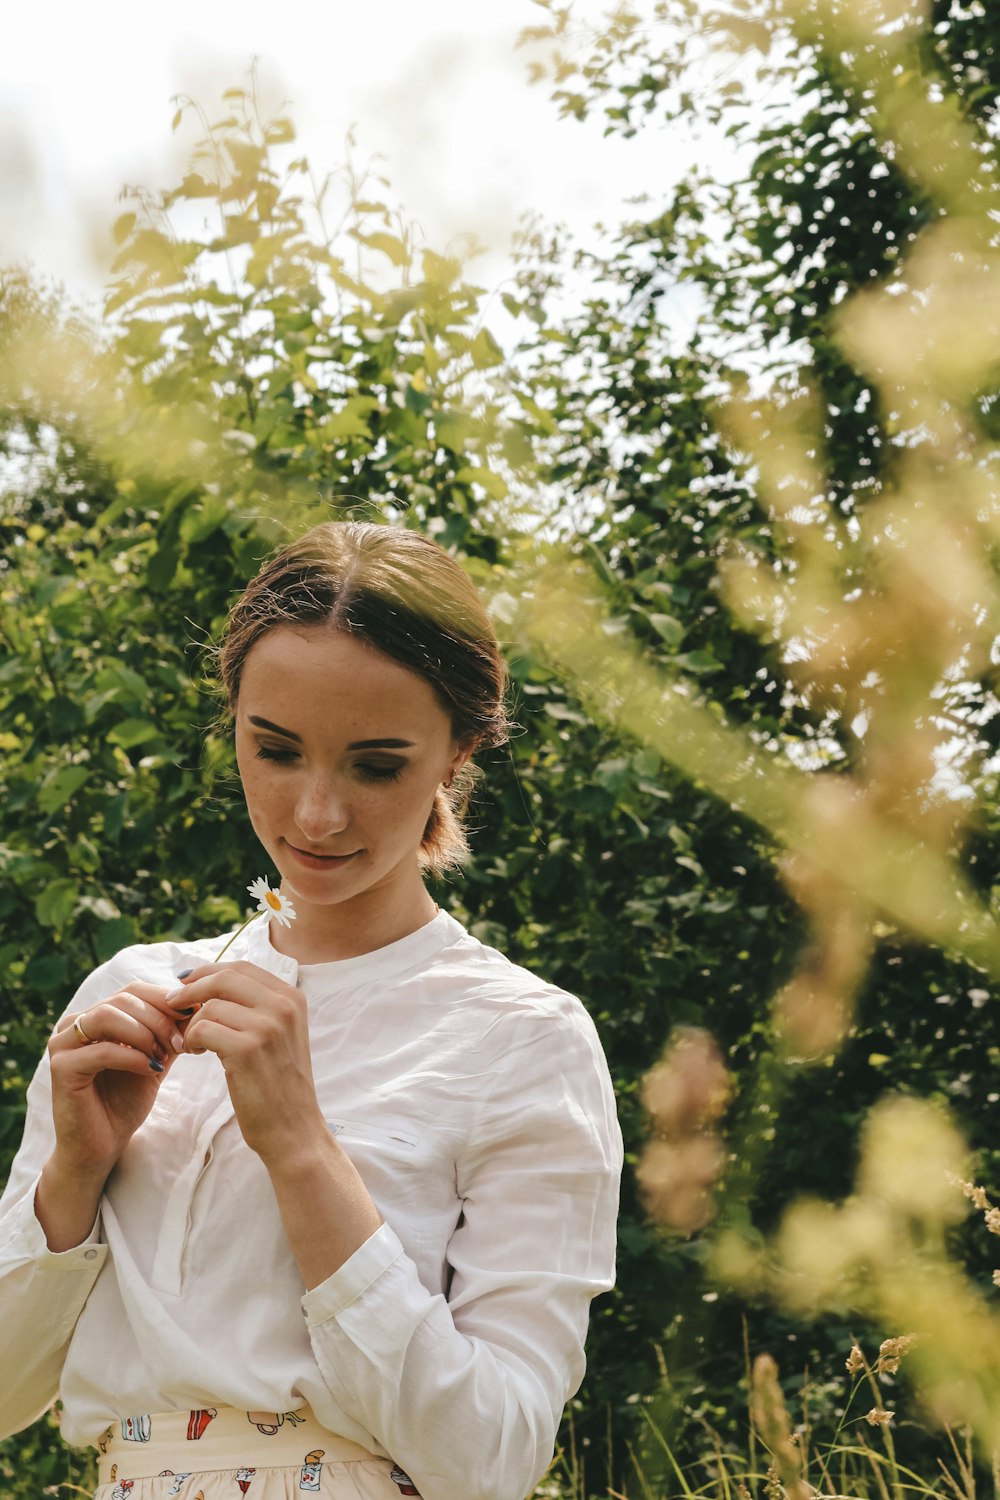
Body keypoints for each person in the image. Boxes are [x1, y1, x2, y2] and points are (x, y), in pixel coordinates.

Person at [0, 520, 623, 1500]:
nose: (316, 815)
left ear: (457, 752)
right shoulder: (130, 992)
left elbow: (494, 1458)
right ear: (233, 723)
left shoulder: (524, 1038)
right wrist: (74, 1179)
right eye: (276, 751)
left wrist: (299, 1144)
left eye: (375, 765)